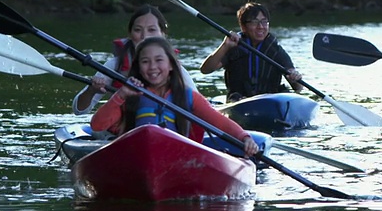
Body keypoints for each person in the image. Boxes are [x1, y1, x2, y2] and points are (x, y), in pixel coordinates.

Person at [91, 37, 258, 157]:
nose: (152, 67)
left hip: (177, 157)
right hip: (137, 156)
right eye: (145, 62)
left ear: (171, 64)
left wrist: (244, 137)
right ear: (138, 67)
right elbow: (97, 125)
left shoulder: (188, 96)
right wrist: (120, 95)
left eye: (159, 60)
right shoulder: (130, 95)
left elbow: (218, 121)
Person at [72, 4, 196, 115]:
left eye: (151, 30)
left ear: (163, 34)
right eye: (138, 30)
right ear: (130, 34)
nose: (144, 36)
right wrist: (91, 90)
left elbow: (198, 107)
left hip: (161, 128)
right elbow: (79, 110)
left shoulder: (174, 68)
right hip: (120, 132)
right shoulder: (114, 66)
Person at [199, 2, 303, 102]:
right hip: (239, 101)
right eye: (254, 22)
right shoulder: (233, 46)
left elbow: (298, 88)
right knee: (236, 97)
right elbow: (205, 69)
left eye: (264, 22)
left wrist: (295, 77)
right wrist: (224, 46)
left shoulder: (275, 50)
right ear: (243, 27)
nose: (260, 27)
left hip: (271, 101)